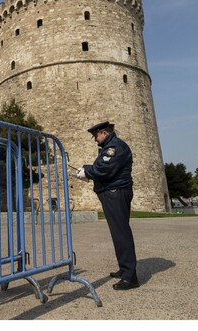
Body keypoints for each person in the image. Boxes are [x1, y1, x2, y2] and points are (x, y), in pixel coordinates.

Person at [76, 121, 139, 290]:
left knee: (121, 233)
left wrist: (87, 172)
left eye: (96, 136)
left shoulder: (114, 147)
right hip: (113, 191)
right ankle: (125, 269)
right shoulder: (110, 146)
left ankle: (130, 277)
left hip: (115, 192)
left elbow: (104, 168)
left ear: (103, 132)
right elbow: (101, 166)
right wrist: (88, 169)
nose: (95, 140)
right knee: (119, 232)